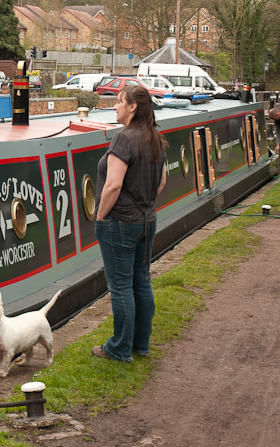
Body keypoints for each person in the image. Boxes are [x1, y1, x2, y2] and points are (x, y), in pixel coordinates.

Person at [91, 85, 168, 362]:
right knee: (141, 282)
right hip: (147, 221)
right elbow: (161, 182)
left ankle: (119, 349)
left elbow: (112, 186)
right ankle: (140, 345)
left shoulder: (124, 139)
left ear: (133, 107)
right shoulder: (155, 138)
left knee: (121, 286)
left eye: (119, 102)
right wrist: (143, 204)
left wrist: (101, 217)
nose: (115, 106)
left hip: (120, 223)